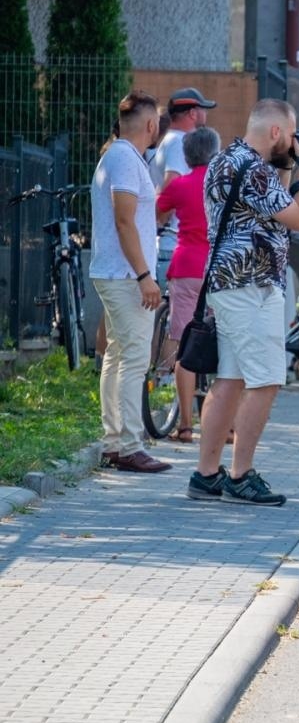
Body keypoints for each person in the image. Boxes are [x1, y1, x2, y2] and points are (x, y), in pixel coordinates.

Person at [188, 99, 299, 506]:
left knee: (230, 379)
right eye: (290, 133)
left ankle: (207, 475)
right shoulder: (254, 171)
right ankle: (241, 475)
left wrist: (286, 164)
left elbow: (268, 201)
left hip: (229, 284)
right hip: (252, 287)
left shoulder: (229, 161)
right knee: (267, 379)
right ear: (276, 133)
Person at [89, 90, 170, 474]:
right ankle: (130, 445)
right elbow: (124, 221)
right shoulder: (124, 159)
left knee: (119, 356)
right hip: (125, 275)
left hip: (116, 272)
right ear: (152, 124)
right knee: (134, 358)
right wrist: (144, 277)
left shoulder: (119, 155)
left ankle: (115, 442)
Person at [154, 125, 220, 443]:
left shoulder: (180, 185)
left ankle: (185, 425)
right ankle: (228, 426)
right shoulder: (224, 184)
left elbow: (157, 211)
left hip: (186, 268)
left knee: (183, 345)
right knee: (226, 344)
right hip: (220, 271)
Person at [150, 87, 214, 191]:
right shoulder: (179, 142)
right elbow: (171, 186)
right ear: (193, 113)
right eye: (204, 109)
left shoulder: (175, 139)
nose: (206, 113)